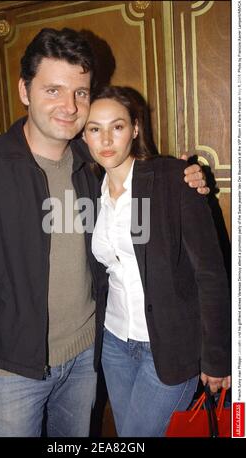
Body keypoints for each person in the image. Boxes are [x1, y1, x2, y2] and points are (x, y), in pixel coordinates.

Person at [0, 28, 208, 438]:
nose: (69, 107)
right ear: (24, 90)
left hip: (88, 355)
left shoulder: (92, 161)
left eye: (80, 93)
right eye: (53, 90)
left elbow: (143, 170)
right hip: (12, 367)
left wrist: (185, 176)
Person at [82, 86, 231, 437]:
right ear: (84, 135)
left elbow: (210, 273)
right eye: (94, 128)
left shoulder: (172, 180)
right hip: (114, 343)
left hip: (170, 345)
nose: (105, 138)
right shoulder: (90, 190)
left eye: (116, 126)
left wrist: (217, 355)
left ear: (135, 128)